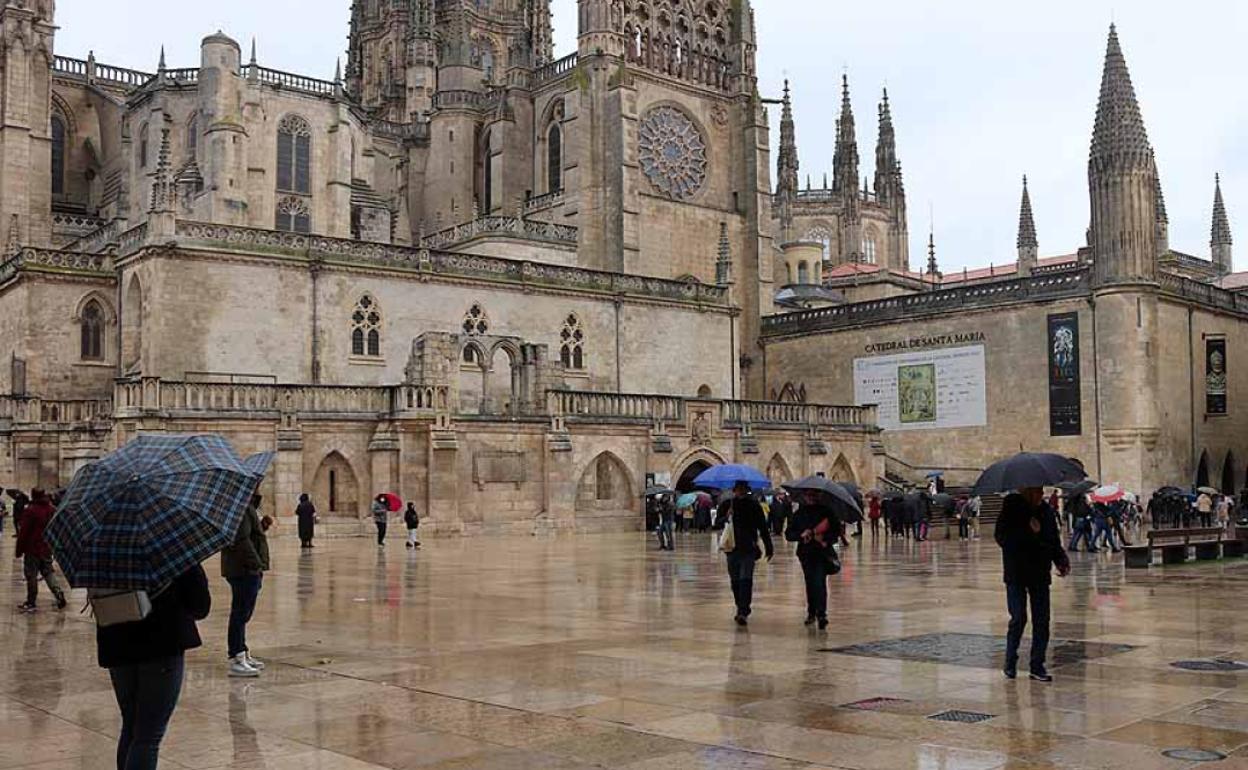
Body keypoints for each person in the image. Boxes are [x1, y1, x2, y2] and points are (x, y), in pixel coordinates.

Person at [98, 563, 211, 770]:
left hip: (116, 642)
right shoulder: (171, 546)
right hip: (161, 645)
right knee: (147, 737)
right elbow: (200, 606)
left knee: (131, 726)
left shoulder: (104, 545)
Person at [995, 487, 1071, 682]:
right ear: (1026, 492)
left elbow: (1053, 539)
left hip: (1039, 572)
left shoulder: (1045, 511)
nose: (1040, 494)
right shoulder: (1010, 508)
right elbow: (1002, 538)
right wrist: (1027, 531)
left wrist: (1061, 560)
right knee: (1018, 618)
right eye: (1036, 491)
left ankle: (1037, 665)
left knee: (1042, 620)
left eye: (1041, 490)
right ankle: (1010, 660)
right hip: (1016, 572)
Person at [220, 494, 269, 677]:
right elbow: (241, 540)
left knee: (243, 612)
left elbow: (249, 535)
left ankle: (242, 651)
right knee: (240, 613)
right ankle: (236, 658)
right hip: (243, 569)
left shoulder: (245, 506)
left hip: (244, 568)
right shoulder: (239, 506)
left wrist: (262, 527)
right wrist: (256, 565)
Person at [715, 482, 774, 627]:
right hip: (732, 548)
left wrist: (769, 546)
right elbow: (716, 524)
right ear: (734, 490)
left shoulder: (754, 506)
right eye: (738, 489)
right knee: (735, 580)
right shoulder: (727, 505)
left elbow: (763, 527)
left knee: (745, 579)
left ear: (747, 490)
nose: (741, 492)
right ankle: (740, 606)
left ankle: (743, 610)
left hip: (748, 548)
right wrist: (726, 517)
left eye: (744, 490)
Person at [785, 490, 837, 630]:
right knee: (810, 582)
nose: (811, 498)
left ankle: (821, 614)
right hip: (806, 553)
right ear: (804, 497)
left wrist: (825, 540)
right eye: (809, 495)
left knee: (819, 582)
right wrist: (801, 535)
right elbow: (789, 534)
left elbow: (836, 532)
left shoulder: (827, 512)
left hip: (822, 553)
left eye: (814, 495)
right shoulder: (799, 514)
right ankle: (811, 612)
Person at [15, 489, 67, 612]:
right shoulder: (51, 509)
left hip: (32, 548)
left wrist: (19, 550)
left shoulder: (30, 510)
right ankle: (58, 592)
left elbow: (24, 532)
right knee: (48, 572)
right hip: (46, 547)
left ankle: (31, 602)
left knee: (31, 575)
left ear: (33, 496)